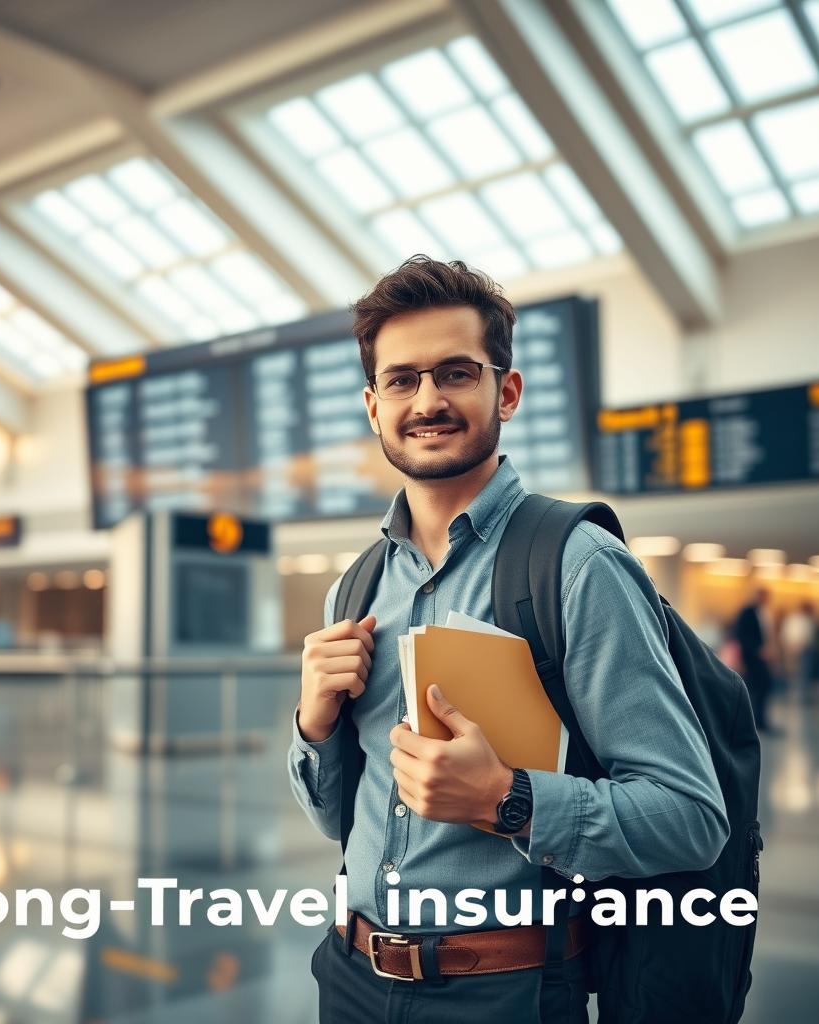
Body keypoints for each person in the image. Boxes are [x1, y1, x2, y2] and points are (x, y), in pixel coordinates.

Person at [287, 257, 728, 1022]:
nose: (427, 401)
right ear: (372, 406)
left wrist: (508, 799)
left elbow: (691, 817)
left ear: (507, 391)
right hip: (351, 979)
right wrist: (314, 726)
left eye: (456, 373)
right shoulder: (354, 587)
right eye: (402, 380)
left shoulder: (577, 565)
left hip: (504, 993)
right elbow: (337, 819)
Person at [734, 589, 778, 734]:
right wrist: (757, 650)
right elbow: (741, 634)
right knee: (755, 687)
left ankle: (759, 720)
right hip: (751, 657)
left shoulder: (763, 613)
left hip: (760, 656)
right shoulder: (748, 612)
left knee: (762, 687)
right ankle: (752, 721)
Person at [780, 601, 816, 704]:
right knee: (798, 674)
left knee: (800, 674)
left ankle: (800, 696)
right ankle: (798, 696)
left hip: (795, 649)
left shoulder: (794, 619)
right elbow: (806, 637)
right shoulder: (803, 620)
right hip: (799, 649)